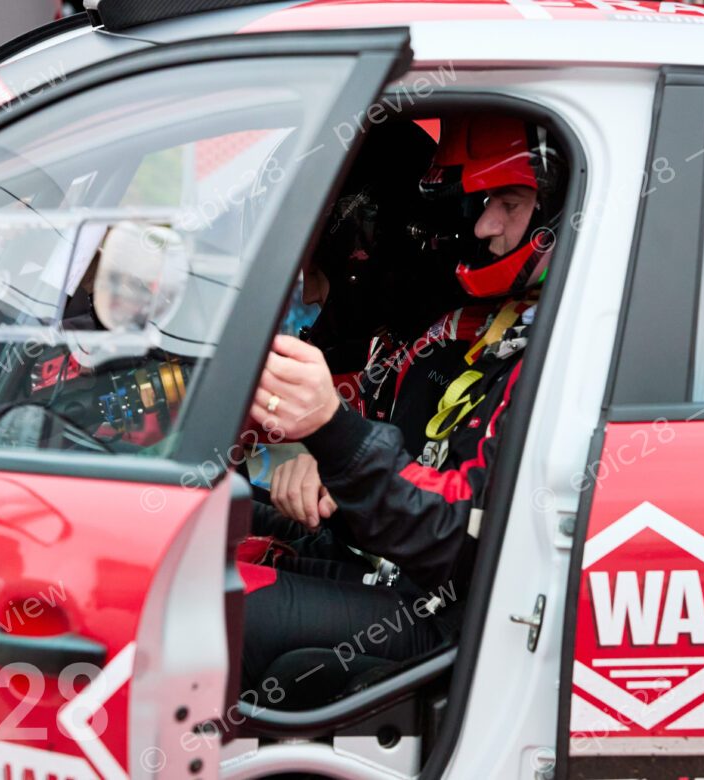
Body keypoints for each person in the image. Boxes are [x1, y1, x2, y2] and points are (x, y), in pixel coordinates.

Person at [240, 114, 564, 693]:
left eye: (510, 203)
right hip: (394, 567)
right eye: (485, 202)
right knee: (221, 543)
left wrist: (334, 436)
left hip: (458, 613)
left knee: (224, 617)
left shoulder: (563, 356)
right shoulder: (482, 325)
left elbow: (456, 534)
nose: (485, 224)